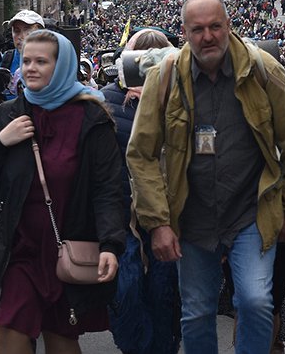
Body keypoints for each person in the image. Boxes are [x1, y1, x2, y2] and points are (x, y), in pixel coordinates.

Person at [126, 0, 285, 354]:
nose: (208, 36)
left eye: (215, 26)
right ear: (185, 33)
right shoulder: (165, 77)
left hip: (251, 214)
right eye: (198, 29)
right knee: (196, 312)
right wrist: (158, 222)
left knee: (256, 301)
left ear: (228, 26)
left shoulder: (263, 71)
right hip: (192, 217)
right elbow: (141, 154)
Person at [0, 30, 124, 354]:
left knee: (62, 339)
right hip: (16, 250)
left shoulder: (92, 118)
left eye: (42, 61)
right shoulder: (7, 114)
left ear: (63, 65)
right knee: (9, 329)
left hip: (67, 249)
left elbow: (107, 188)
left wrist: (110, 244)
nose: (31, 68)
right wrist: (0, 143)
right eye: (26, 61)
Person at [101, 28, 180, 354]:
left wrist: (158, 102)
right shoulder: (106, 101)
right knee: (126, 290)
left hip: (168, 215)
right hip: (123, 217)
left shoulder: (183, 99)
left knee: (165, 293)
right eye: (138, 61)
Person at [1, 10, 46, 100]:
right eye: (16, 31)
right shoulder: (6, 59)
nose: (21, 36)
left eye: (27, 30)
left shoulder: (53, 61)